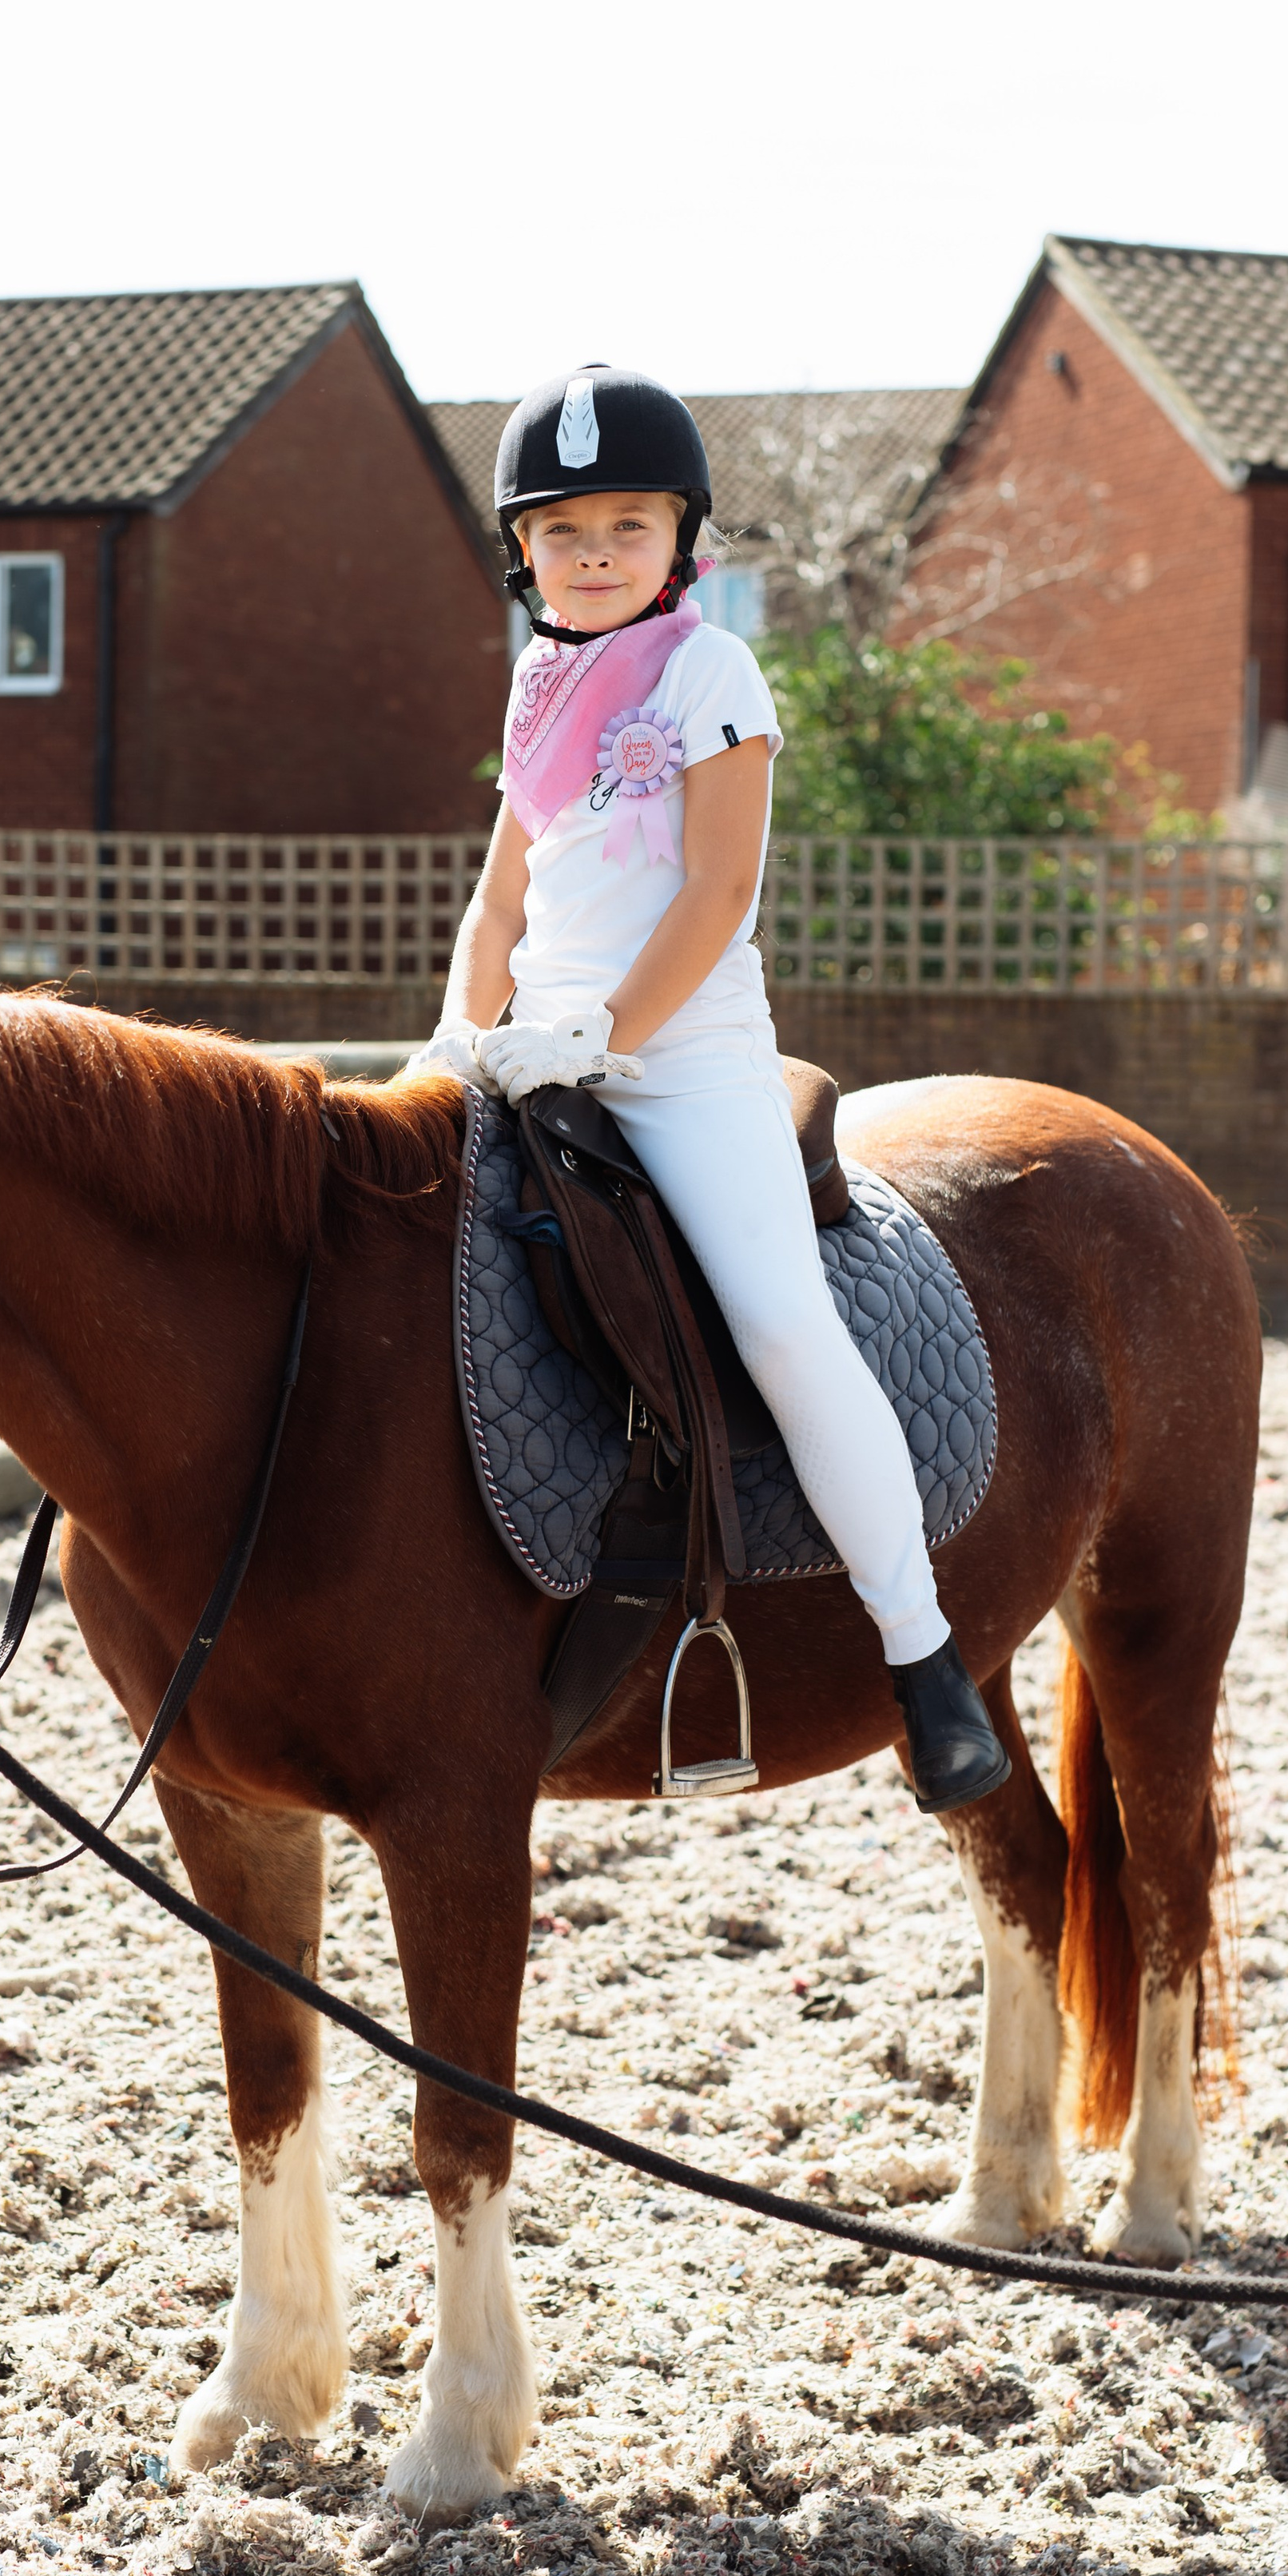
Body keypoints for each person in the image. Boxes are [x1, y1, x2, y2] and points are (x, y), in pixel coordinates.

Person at [405, 364, 1008, 1808]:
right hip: (530, 1046)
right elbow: (501, 905)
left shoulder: (710, 672)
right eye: (562, 531)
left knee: (783, 1323)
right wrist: (448, 1041)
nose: (595, 552)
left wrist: (602, 1033)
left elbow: (718, 892)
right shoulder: (535, 681)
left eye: (627, 524)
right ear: (523, 552)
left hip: (683, 1064)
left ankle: (924, 1661)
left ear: (685, 542)